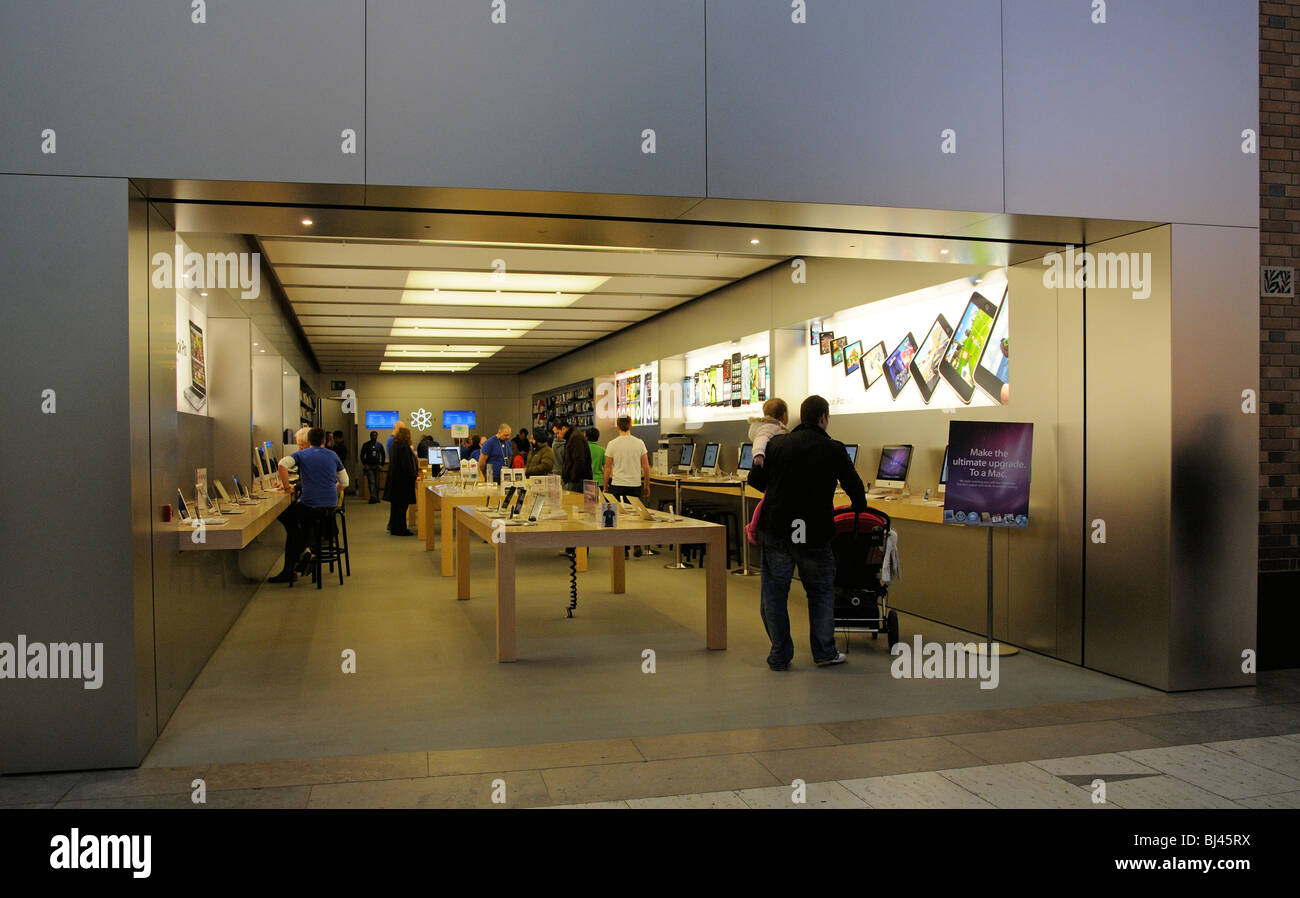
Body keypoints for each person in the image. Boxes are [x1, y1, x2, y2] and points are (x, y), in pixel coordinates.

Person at [747, 395, 867, 671]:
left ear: (800, 417)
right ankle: (824, 651)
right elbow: (854, 485)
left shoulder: (777, 444)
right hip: (814, 531)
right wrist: (859, 508)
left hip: (777, 529)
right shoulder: (833, 448)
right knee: (820, 592)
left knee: (775, 595)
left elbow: (755, 479)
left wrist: (780, 489)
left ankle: (780, 654)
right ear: (824, 418)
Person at [269, 427, 349, 583]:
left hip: (309, 507)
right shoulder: (333, 455)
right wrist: (333, 491)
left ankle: (300, 555)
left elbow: (282, 465)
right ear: (324, 441)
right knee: (302, 521)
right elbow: (345, 482)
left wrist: (286, 488)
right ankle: (305, 549)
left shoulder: (301, 454)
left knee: (287, 516)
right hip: (330, 508)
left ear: (309, 441)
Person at [603, 416, 651, 556]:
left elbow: (607, 467)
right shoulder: (639, 443)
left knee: (617, 518)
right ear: (630, 426)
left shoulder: (612, 444)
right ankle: (636, 543)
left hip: (617, 484)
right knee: (637, 515)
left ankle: (622, 549)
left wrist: (606, 486)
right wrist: (647, 485)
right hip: (635, 485)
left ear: (617, 427)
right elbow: (646, 467)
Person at [384, 425, 418, 536]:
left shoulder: (394, 445)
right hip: (402, 483)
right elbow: (407, 466)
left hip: (394, 481)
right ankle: (401, 529)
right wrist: (414, 477)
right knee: (402, 508)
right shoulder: (404, 447)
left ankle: (394, 527)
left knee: (395, 507)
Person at [748, 397, 790, 467]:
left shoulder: (771, 427)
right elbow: (761, 439)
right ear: (784, 415)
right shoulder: (770, 427)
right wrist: (758, 454)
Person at [558, 421, 591, 491]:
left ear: (563, 428)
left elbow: (579, 461)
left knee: (575, 501)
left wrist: (572, 478)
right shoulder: (572, 437)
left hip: (577, 482)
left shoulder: (575, 437)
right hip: (575, 481)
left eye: (557, 433)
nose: (557, 436)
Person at [359, 430, 387, 503]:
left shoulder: (379, 445)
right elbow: (362, 455)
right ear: (370, 436)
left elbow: (383, 455)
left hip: (377, 466)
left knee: (377, 483)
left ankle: (377, 497)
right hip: (369, 466)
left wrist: (381, 464)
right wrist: (365, 464)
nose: (374, 437)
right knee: (372, 482)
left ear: (377, 436)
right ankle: (372, 497)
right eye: (373, 435)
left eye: (375, 435)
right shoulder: (366, 445)